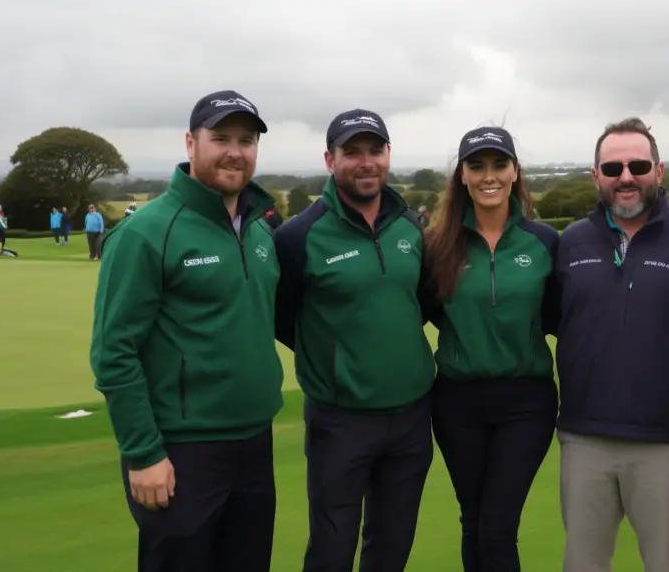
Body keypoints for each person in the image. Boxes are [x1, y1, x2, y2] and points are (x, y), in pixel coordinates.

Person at [89, 89, 284, 572]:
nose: (235, 151)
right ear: (191, 143)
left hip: (254, 444)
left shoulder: (259, 232)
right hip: (181, 453)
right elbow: (114, 352)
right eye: (220, 137)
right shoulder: (146, 232)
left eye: (246, 139)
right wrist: (142, 453)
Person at [552, 117, 669, 572]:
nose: (625, 177)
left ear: (659, 171)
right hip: (584, 438)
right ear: (596, 177)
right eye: (612, 168)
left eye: (638, 165)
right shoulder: (570, 243)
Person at [273, 109, 436, 572]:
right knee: (332, 547)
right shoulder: (298, 236)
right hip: (339, 420)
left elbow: (419, 303)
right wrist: (335, 361)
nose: (366, 162)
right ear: (330, 159)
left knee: (392, 544)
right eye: (352, 152)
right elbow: (283, 319)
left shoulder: (410, 226)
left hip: (410, 415)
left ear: (388, 155)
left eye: (375, 150)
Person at [423, 126, 560, 571]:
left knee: (498, 526)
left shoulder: (543, 242)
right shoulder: (439, 245)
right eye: (476, 166)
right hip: (457, 401)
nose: (489, 176)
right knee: (474, 522)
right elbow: (428, 312)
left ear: (515, 172)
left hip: (526, 401)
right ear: (461, 175)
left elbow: (559, 316)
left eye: (499, 165)